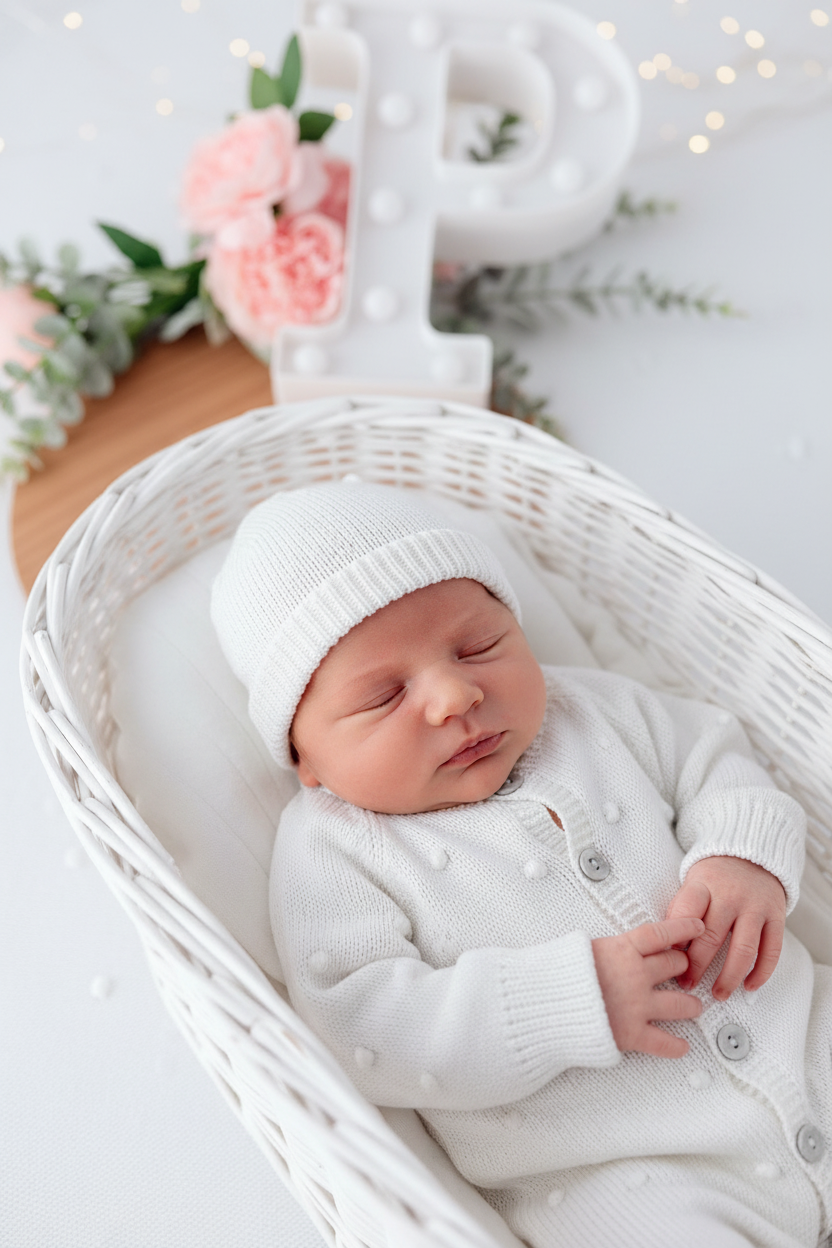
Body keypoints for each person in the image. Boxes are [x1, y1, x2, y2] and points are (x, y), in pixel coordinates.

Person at [211, 481, 831, 1248]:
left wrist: (742, 859)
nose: (454, 694)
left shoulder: (594, 712)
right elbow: (361, 1025)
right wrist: (570, 1000)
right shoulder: (334, 849)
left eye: (479, 647)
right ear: (305, 757)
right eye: (382, 696)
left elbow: (715, 757)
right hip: (627, 1172)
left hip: (807, 1039)